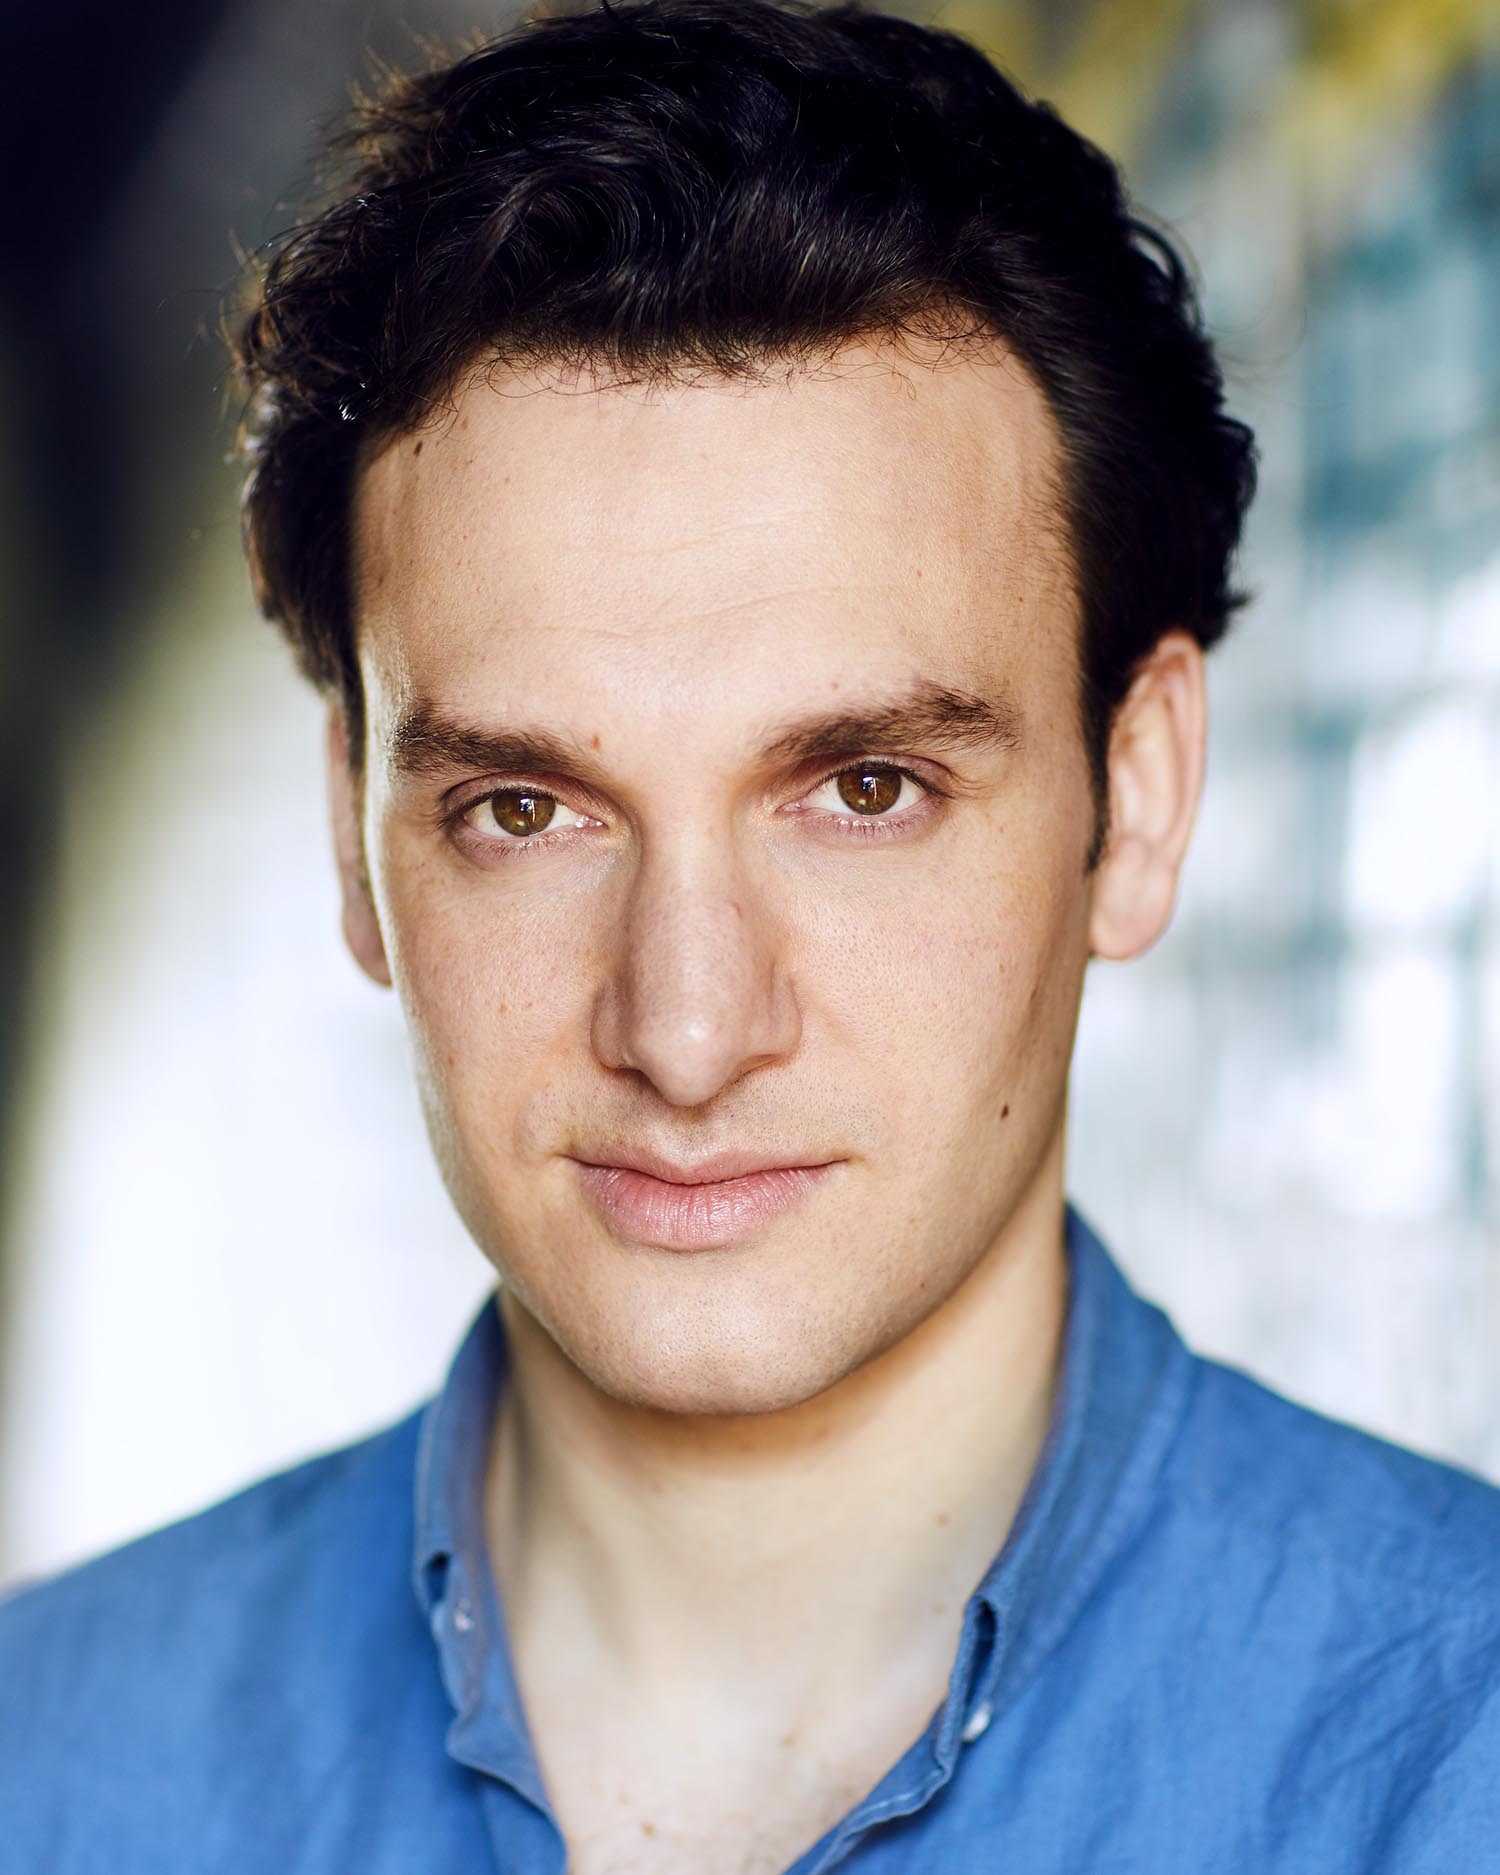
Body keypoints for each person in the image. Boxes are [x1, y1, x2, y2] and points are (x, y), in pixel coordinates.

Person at [3, 0, 1498, 1867]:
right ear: (354, 840)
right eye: (524, 810)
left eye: (866, 789)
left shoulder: (1454, 1755)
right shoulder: (46, 1767)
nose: (689, 1031)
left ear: (1140, 798)